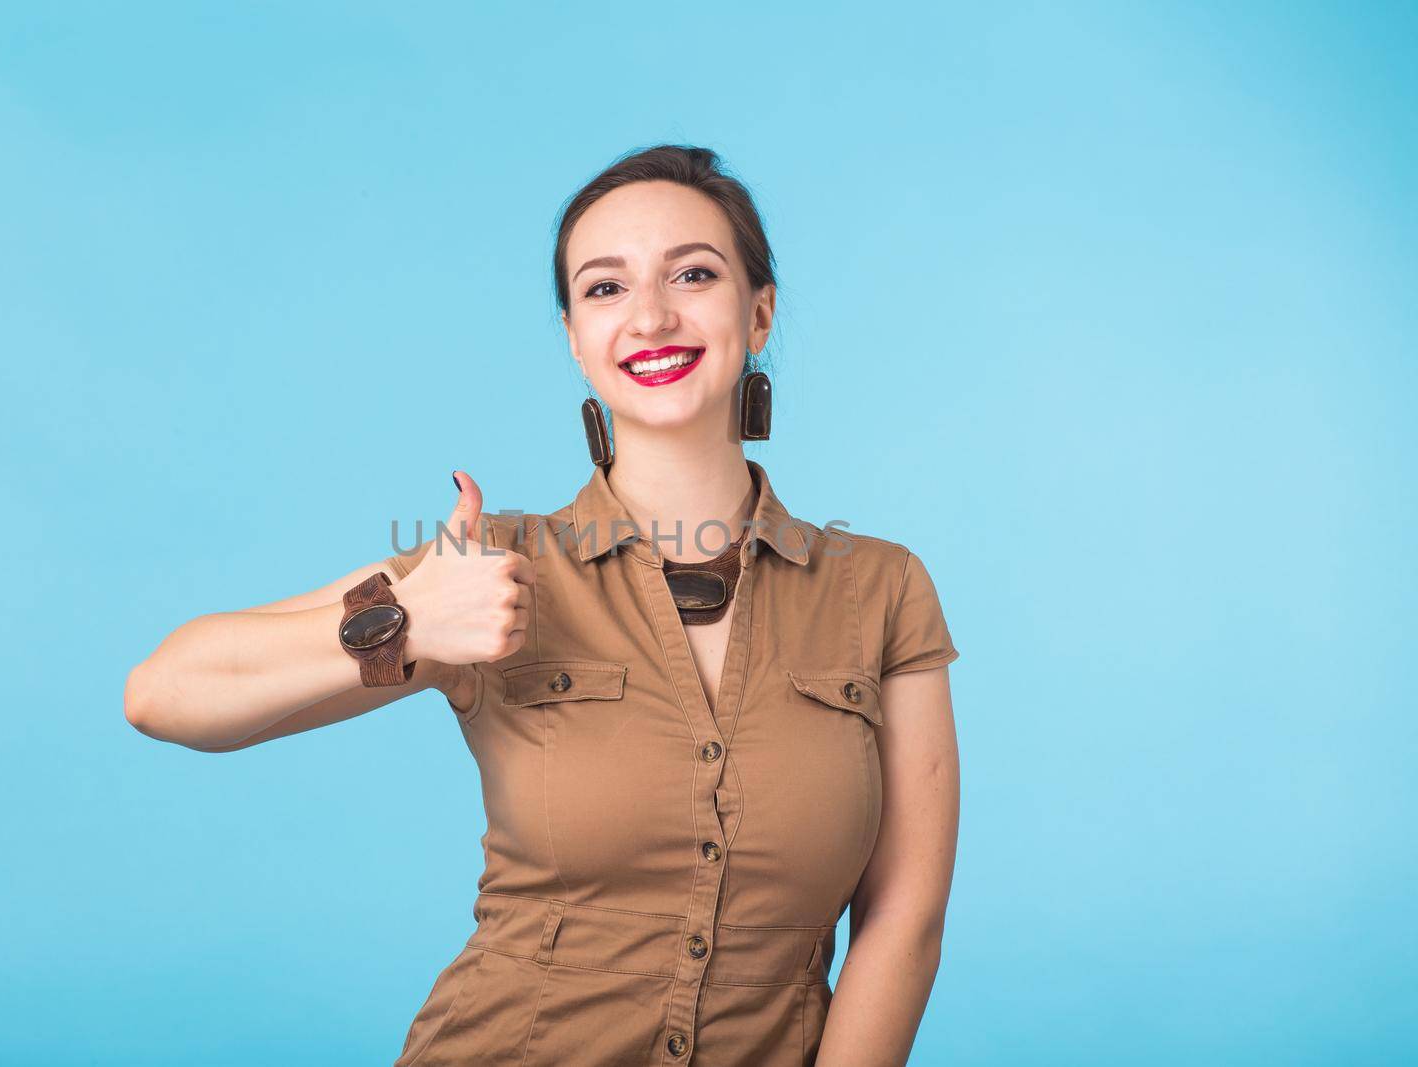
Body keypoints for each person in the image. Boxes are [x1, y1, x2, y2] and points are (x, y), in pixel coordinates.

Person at [125, 144, 961, 1067]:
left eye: (693, 273)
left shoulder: (881, 589)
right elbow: (163, 692)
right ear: (573, 337)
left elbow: (901, 918)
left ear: (758, 311)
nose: (651, 316)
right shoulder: (491, 565)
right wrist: (405, 625)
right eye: (605, 289)